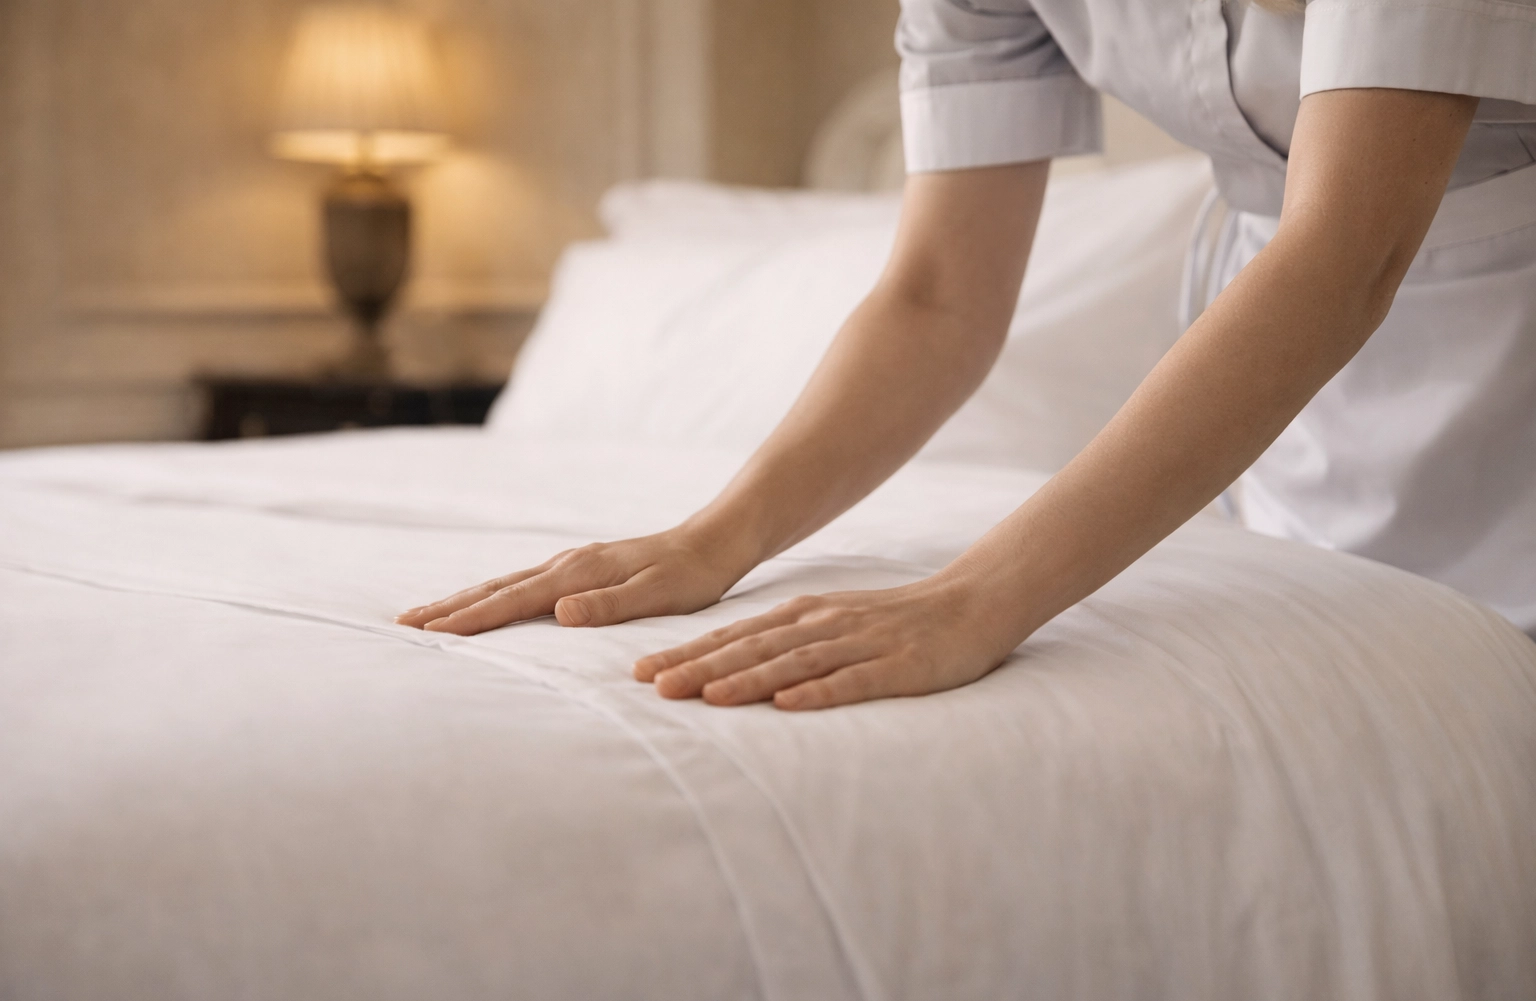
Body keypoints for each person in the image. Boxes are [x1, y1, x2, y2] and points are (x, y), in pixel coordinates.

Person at [399, 0, 1536, 709]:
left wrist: (975, 600)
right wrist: (718, 535)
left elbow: (1347, 252)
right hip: (1291, 373)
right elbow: (941, 293)